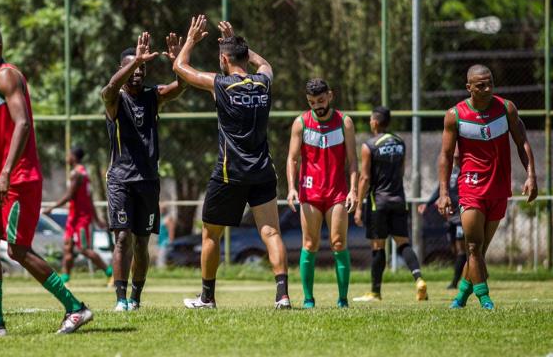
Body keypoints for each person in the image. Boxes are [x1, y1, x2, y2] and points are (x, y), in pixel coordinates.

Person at [0, 24, 91, 336]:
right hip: (1, 177)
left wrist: (5, 172)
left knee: (18, 250)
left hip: (18, 177)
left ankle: (76, 308)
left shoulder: (7, 75)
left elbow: (23, 124)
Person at [174, 16, 290, 310]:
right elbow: (265, 64)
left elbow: (180, 68)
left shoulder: (221, 85)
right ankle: (283, 296)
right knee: (271, 232)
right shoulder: (263, 83)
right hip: (262, 171)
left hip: (230, 172)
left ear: (224, 59)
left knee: (211, 234)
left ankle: (207, 298)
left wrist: (190, 40)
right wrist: (239, 43)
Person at [439, 64, 537, 310]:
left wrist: (531, 175)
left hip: (499, 188)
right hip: (471, 187)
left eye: (490, 83)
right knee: (473, 246)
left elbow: (522, 141)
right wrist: (443, 192)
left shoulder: (506, 109)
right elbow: (446, 155)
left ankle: (460, 297)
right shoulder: (455, 114)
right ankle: (485, 299)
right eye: (480, 85)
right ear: (469, 87)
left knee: (479, 251)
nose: (487, 88)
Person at [101, 31, 186, 311]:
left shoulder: (153, 96)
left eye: (142, 67)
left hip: (148, 180)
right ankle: (120, 299)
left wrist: (178, 62)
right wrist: (134, 60)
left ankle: (135, 298)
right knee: (122, 238)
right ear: (123, 69)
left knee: (141, 242)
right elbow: (109, 89)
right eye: (133, 66)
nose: (138, 71)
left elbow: (181, 86)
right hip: (120, 180)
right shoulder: (115, 99)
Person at [286, 78, 358, 309]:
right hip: (310, 193)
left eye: (320, 100)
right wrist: (291, 188)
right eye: (311, 102)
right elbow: (292, 159)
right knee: (310, 243)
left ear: (330, 95)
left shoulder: (345, 122)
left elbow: (353, 161)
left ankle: (343, 300)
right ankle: (308, 299)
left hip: (337, 193)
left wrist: (353, 190)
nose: (317, 105)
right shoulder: (301, 123)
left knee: (338, 243)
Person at [353, 106, 428, 302]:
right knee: (403, 243)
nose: (370, 122)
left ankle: (375, 292)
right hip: (399, 199)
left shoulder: (369, 145)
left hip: (379, 202)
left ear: (375, 122)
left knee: (378, 246)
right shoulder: (400, 143)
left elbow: (365, 178)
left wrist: (359, 206)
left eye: (370, 120)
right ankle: (419, 279)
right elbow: (402, 172)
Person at [43, 146, 112, 284]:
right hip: (73, 217)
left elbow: (69, 195)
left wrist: (51, 208)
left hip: (81, 218)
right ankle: (65, 278)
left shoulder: (78, 174)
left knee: (84, 249)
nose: (67, 158)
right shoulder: (83, 173)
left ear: (74, 157)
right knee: (67, 247)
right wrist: (97, 219)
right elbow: (89, 198)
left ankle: (110, 273)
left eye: (69, 155)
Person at [419, 150, 465, 290]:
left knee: (462, 249)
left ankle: (456, 282)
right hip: (451, 217)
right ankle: (479, 273)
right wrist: (427, 204)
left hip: (461, 216)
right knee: (454, 250)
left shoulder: (466, 170)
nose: (456, 152)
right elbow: (439, 189)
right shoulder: (450, 171)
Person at [156, 201, 175, 268]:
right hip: (160, 243)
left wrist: (170, 241)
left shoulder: (168, 218)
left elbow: (171, 231)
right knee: (159, 260)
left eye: (162, 208)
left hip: (166, 243)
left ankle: (162, 273)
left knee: (162, 261)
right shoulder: (160, 218)